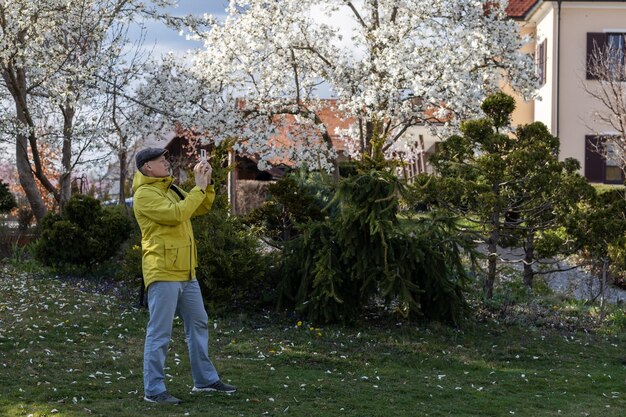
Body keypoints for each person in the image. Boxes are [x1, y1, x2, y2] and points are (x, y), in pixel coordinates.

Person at [132, 147, 236, 405]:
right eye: (161, 160)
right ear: (147, 167)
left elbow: (199, 208)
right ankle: (154, 390)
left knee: (198, 324)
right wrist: (198, 188)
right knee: (160, 333)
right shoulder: (144, 194)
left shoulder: (170, 189)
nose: (167, 163)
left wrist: (206, 183)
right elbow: (177, 214)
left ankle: (205, 381)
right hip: (163, 270)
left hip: (186, 272)